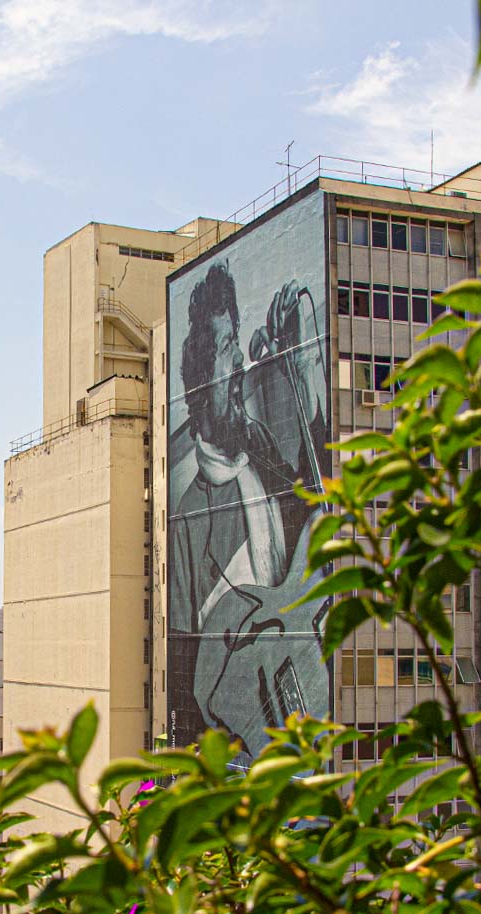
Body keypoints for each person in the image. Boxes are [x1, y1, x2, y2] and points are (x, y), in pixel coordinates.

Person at [168, 261, 328, 752]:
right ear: (198, 384)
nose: (237, 359)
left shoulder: (256, 445)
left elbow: (317, 508)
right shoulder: (189, 523)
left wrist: (298, 371)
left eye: (235, 340)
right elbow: (185, 670)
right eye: (224, 347)